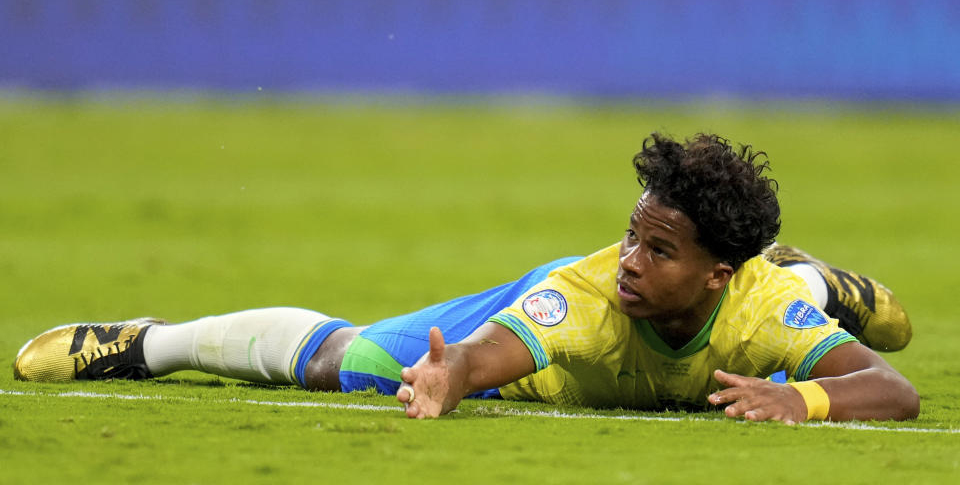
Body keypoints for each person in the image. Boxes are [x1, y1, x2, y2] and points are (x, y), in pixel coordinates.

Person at [14, 133, 918, 424]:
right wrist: (449, 377)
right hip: (566, 362)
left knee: (877, 325)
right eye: (631, 237)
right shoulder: (590, 294)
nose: (632, 262)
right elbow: (494, 351)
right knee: (355, 360)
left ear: (721, 274)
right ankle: (147, 343)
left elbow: (894, 386)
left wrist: (805, 403)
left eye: (659, 251)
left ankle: (818, 280)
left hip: (766, 293)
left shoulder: (758, 312)